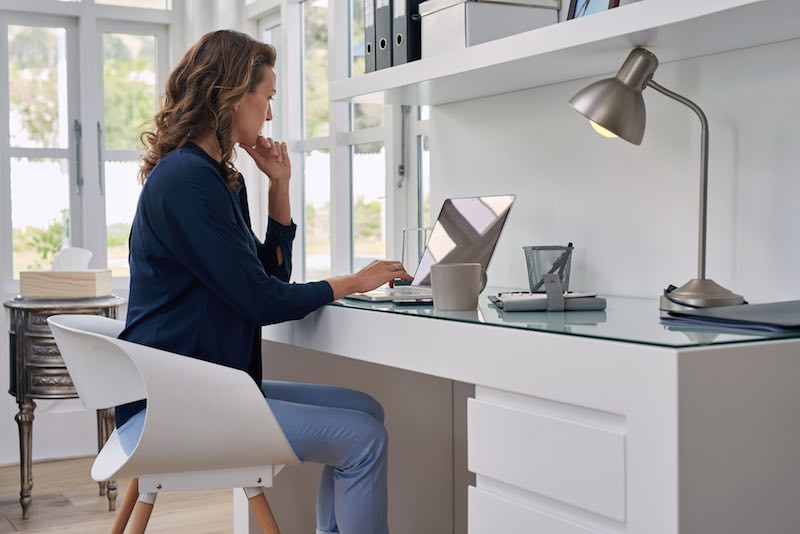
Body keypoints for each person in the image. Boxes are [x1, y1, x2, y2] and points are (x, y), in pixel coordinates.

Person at [115, 29, 412, 534]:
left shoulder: (217, 179)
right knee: (364, 440)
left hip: (208, 386)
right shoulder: (187, 180)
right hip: (178, 405)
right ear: (232, 95)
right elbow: (261, 300)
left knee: (367, 409)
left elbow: (269, 275)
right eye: (267, 97)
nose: (270, 114)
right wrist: (352, 282)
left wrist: (279, 186)